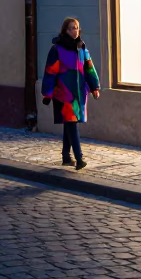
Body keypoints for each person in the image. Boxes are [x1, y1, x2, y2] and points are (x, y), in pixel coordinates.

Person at [41, 16, 101, 169]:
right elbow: (50, 71)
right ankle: (79, 158)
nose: (75, 30)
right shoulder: (57, 49)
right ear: (65, 30)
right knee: (72, 123)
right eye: (72, 28)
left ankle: (66, 156)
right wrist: (47, 93)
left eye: (77, 27)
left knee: (70, 123)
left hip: (79, 94)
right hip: (63, 93)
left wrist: (94, 87)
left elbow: (88, 68)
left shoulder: (81, 48)